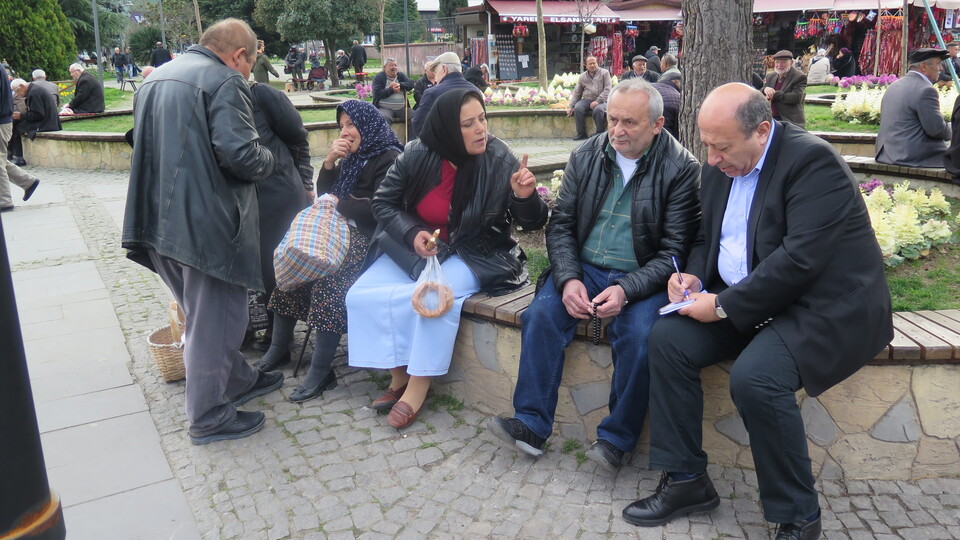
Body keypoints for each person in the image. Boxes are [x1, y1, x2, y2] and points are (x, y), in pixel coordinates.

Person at [621, 83, 893, 540]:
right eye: (706, 144)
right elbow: (709, 238)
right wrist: (691, 278)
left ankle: (798, 516)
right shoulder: (719, 164)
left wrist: (724, 306)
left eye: (720, 146)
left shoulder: (812, 162)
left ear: (762, 130)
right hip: (751, 299)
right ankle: (687, 480)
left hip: (820, 305)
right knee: (666, 339)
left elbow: (800, 261)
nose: (710, 158)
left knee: (757, 378)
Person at [486, 78, 700, 470]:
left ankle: (617, 440)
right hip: (582, 267)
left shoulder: (681, 168)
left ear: (657, 124)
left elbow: (673, 253)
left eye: (629, 123)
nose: (616, 130)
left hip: (642, 276)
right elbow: (562, 225)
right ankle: (531, 425)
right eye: (611, 119)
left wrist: (625, 289)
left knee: (639, 336)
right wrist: (568, 279)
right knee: (541, 316)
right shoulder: (587, 153)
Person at [346, 88, 548, 429]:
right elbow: (383, 203)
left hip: (479, 251)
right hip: (419, 247)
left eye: (482, 118)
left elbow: (533, 222)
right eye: (468, 124)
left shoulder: (500, 158)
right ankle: (397, 375)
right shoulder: (418, 153)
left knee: (434, 295)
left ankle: (417, 387)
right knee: (360, 295)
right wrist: (412, 233)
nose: (480, 129)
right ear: (447, 129)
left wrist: (524, 197)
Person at [122, 18, 281, 445]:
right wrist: (271, 158)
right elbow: (241, 155)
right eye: (251, 63)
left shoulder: (157, 78)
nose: (249, 72)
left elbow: (139, 139)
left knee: (203, 313)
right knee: (221, 320)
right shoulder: (226, 80)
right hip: (206, 227)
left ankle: (237, 379)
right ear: (238, 55)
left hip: (157, 220)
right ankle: (208, 416)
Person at [258, 100, 403, 402]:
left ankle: (322, 370)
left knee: (329, 280)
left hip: (367, 238)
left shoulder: (389, 157)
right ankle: (279, 349)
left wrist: (341, 203)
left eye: (351, 125)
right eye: (342, 126)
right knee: (294, 262)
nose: (346, 132)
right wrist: (329, 164)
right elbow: (326, 193)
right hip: (336, 230)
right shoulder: (352, 157)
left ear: (367, 124)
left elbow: (380, 207)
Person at [246, 80, 314, 353]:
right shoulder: (214, 96)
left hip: (278, 192)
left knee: (274, 263)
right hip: (242, 198)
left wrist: (307, 182)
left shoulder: (261, 95)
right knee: (249, 263)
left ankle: (279, 329)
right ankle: (249, 324)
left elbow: (297, 137)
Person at [876, 48, 952, 168]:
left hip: (888, 154)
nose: (941, 69)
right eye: (938, 63)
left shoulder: (894, 85)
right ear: (923, 66)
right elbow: (936, 130)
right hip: (915, 157)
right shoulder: (926, 90)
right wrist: (955, 128)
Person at [411, 51, 480, 137]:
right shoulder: (476, 91)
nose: (435, 79)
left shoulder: (432, 93)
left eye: (435, 72)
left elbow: (418, 125)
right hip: (472, 144)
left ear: (444, 69)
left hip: (442, 147)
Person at [1, 72, 41, 213]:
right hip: (4, 120)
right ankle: (28, 182)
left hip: (2, 121)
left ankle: (4, 201)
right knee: (1, 159)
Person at [567, 56, 611, 141]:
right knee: (578, 108)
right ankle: (581, 133)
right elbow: (577, 92)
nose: (592, 65)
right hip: (587, 99)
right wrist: (571, 106)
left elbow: (608, 89)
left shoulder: (605, 73)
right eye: (590, 63)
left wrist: (598, 101)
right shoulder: (583, 76)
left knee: (598, 110)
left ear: (597, 63)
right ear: (586, 66)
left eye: (594, 63)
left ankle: (600, 133)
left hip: (602, 101)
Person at [762, 50, 807, 128]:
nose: (779, 65)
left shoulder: (799, 77)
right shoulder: (770, 76)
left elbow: (796, 97)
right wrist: (765, 89)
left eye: (783, 62)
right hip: (770, 118)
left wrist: (774, 94)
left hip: (789, 120)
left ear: (791, 62)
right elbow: (760, 91)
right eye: (777, 62)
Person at [372, 57, 414, 122]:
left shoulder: (400, 76)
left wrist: (399, 84)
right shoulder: (379, 77)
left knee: (415, 116)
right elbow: (377, 93)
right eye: (391, 65)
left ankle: (412, 132)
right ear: (385, 67)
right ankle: (386, 132)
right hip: (385, 109)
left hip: (401, 109)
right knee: (383, 118)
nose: (394, 67)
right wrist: (391, 90)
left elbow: (411, 84)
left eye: (395, 65)